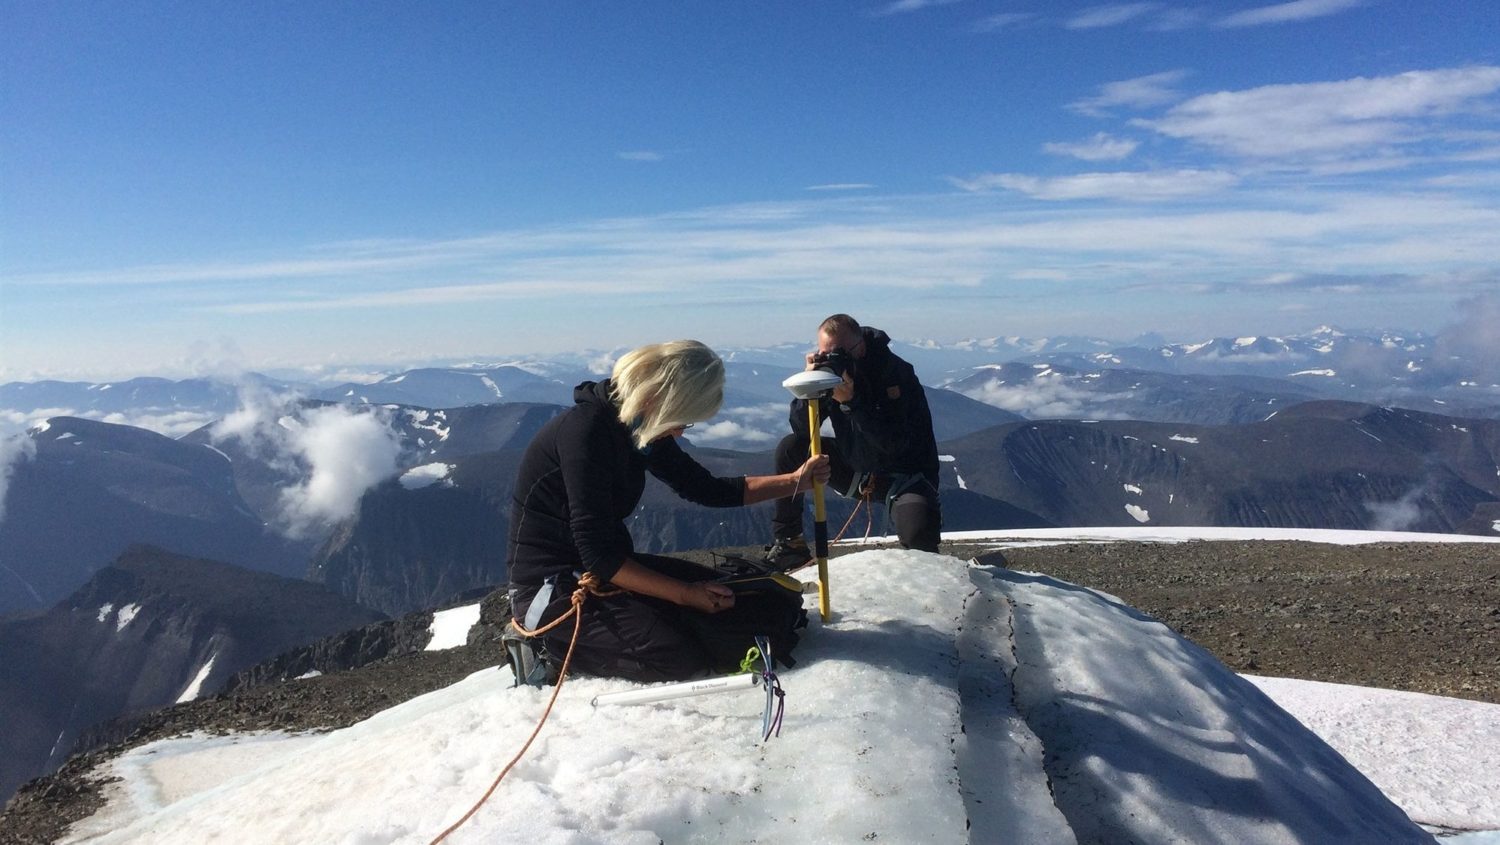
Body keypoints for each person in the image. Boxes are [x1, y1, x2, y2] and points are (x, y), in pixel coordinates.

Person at [506, 339, 830, 684]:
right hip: (549, 589)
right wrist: (686, 595)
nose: (679, 431)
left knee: (748, 599)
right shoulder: (585, 434)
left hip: (602, 569)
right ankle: (545, 647)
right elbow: (599, 555)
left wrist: (797, 481)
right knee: (677, 654)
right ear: (661, 400)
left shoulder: (637, 426)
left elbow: (706, 489)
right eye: (683, 420)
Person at [764, 314, 941, 570]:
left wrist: (852, 402)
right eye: (826, 353)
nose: (834, 359)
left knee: (920, 539)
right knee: (791, 448)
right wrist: (809, 386)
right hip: (857, 467)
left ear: (860, 347)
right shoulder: (832, 374)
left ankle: (931, 582)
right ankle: (789, 543)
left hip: (906, 476)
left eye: (839, 353)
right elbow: (802, 429)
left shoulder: (895, 373)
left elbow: (894, 444)